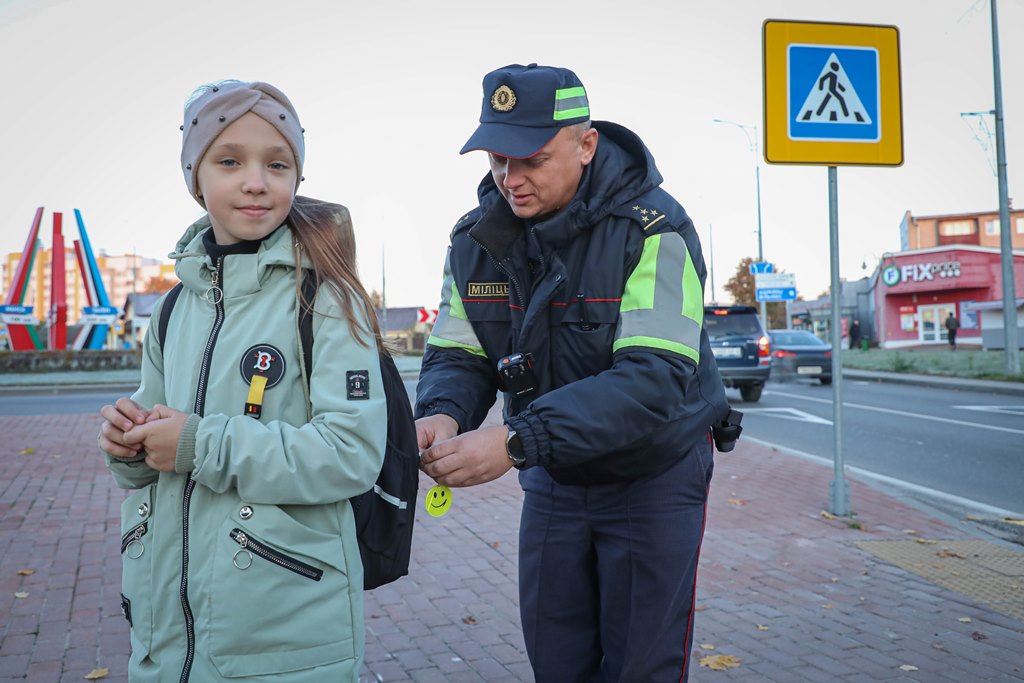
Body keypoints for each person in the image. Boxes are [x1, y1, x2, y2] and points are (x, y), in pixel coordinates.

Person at [416, 64, 733, 682]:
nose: (511, 178)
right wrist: (441, 413)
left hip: (653, 475)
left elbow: (653, 381)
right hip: (556, 476)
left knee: (641, 666)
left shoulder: (655, 232)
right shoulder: (474, 241)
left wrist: (515, 441)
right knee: (557, 661)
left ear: (586, 145)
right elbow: (461, 352)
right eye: (497, 159)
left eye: (531, 158)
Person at [97, 80, 386, 682]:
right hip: (167, 639)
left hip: (283, 638)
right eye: (230, 161)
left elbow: (353, 454)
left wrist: (199, 443)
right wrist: (128, 446)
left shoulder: (326, 300)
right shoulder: (174, 308)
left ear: (296, 178)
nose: (256, 181)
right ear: (195, 178)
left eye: (277, 164)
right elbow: (155, 448)